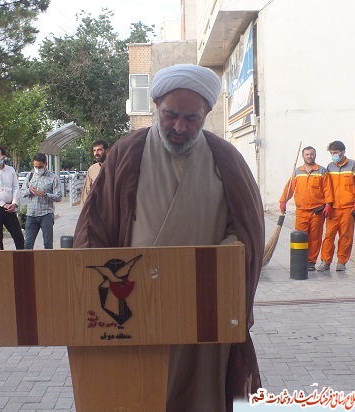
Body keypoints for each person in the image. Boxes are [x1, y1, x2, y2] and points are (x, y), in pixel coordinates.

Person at [74, 64, 264, 411]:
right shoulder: (127, 152)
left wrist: (216, 263)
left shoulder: (226, 159)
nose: (179, 127)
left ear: (207, 112)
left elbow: (246, 230)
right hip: (134, 304)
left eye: (191, 118)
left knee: (199, 392)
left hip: (203, 302)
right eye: (171, 115)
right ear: (156, 105)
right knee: (142, 391)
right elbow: (95, 225)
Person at [279, 146, 333, 271]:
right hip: (301, 211)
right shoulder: (297, 172)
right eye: (307, 154)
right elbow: (289, 188)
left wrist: (328, 205)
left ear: (315, 155)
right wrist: (283, 200)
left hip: (317, 211)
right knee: (300, 237)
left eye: (311, 154)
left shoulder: (322, 171)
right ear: (303, 156)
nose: (309, 156)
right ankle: (300, 259)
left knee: (315, 237)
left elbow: (328, 189)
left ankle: (311, 262)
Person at [317, 140, 355, 272]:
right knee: (329, 235)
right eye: (331, 153)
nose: (334, 155)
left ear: (343, 152)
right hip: (333, 209)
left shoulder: (353, 165)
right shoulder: (329, 167)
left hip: (348, 208)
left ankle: (341, 262)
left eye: (336, 152)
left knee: (346, 235)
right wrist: (327, 204)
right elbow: (327, 187)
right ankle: (325, 261)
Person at [21, 153, 62, 249]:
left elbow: (59, 197)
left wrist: (45, 194)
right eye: (35, 166)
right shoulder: (30, 176)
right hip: (31, 214)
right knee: (28, 244)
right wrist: (29, 190)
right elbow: (22, 192)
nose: (37, 169)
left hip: (46, 214)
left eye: (40, 167)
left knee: (48, 244)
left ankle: (48, 259)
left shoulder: (53, 177)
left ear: (45, 164)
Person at [80, 140, 110, 205]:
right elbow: (87, 191)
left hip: (112, 207)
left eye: (99, 150)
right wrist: (84, 208)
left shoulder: (115, 167)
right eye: (94, 150)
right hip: (97, 207)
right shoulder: (92, 169)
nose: (96, 153)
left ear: (107, 151)